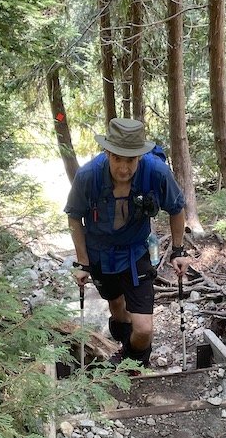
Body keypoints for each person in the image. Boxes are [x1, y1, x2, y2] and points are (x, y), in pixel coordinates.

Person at [65, 118, 189, 367]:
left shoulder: (156, 172)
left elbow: (176, 208)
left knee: (143, 329)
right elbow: (74, 217)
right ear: (107, 152)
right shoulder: (88, 176)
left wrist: (178, 250)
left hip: (136, 253)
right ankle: (124, 348)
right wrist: (83, 263)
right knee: (117, 307)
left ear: (140, 156)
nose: (124, 168)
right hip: (100, 254)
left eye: (130, 160)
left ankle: (134, 363)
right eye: (118, 158)